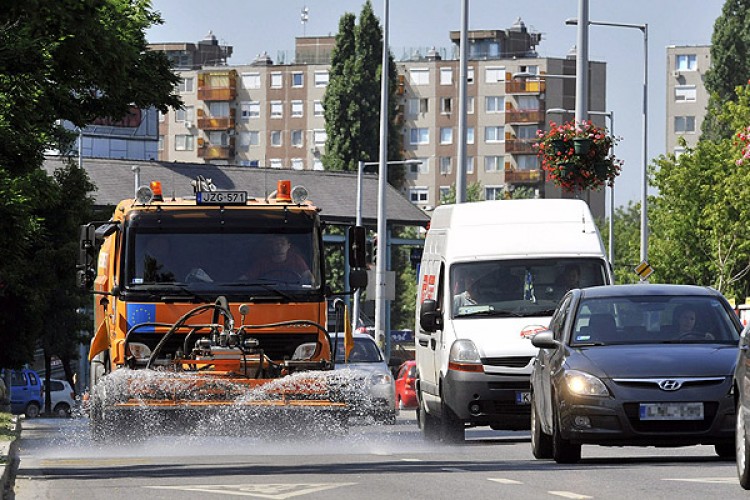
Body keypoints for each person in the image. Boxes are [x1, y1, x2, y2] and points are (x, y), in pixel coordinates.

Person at [244, 234, 313, 284]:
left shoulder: (296, 259)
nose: (279, 246)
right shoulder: (262, 262)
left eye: (282, 243)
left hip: (292, 294)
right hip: (266, 294)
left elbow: (308, 277)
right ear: (272, 246)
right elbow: (247, 278)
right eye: (276, 243)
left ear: (288, 246)